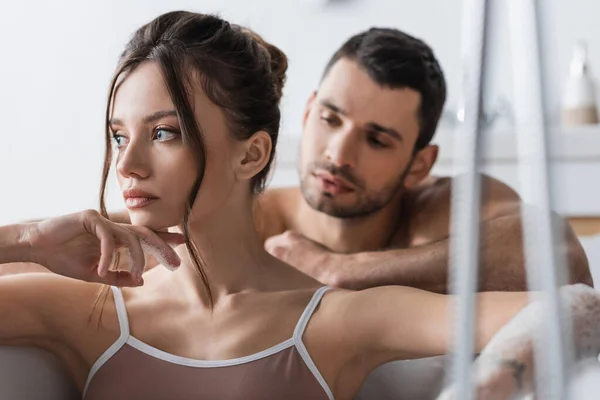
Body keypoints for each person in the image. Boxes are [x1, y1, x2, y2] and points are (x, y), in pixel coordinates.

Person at [1, 10, 594, 400]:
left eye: (164, 132)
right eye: (117, 135)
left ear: (252, 154)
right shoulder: (88, 311)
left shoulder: (336, 320)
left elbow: (578, 308)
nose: (127, 166)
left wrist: (493, 383)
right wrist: (24, 240)